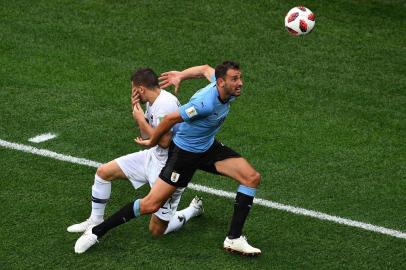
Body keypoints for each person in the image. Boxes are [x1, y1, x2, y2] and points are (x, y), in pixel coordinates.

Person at [75, 61, 261, 256]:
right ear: (222, 82)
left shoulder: (223, 85)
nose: (240, 83)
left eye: (239, 78)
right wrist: (151, 140)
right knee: (150, 205)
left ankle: (234, 239)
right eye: (235, 79)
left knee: (251, 178)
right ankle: (96, 232)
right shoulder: (204, 104)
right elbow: (171, 119)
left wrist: (181, 75)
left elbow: (205, 69)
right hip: (184, 155)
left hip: (207, 147)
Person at [69, 68, 204, 254]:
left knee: (157, 230)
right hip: (152, 157)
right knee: (103, 172)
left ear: (140, 89)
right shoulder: (152, 102)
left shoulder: (165, 104)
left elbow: (165, 142)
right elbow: (149, 140)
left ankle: (192, 210)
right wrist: (138, 116)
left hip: (168, 170)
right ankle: (95, 220)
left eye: (133, 89)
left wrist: (140, 120)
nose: (132, 92)